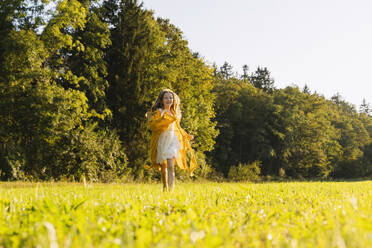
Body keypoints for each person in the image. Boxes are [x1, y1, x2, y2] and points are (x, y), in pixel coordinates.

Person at [146, 89, 196, 192]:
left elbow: (178, 128)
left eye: (170, 97)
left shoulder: (175, 113)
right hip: (162, 140)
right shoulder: (159, 112)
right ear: (162, 100)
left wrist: (186, 135)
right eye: (166, 98)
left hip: (173, 140)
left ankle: (171, 191)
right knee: (163, 167)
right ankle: (165, 187)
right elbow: (153, 125)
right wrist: (163, 120)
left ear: (173, 100)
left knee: (170, 166)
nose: (169, 99)